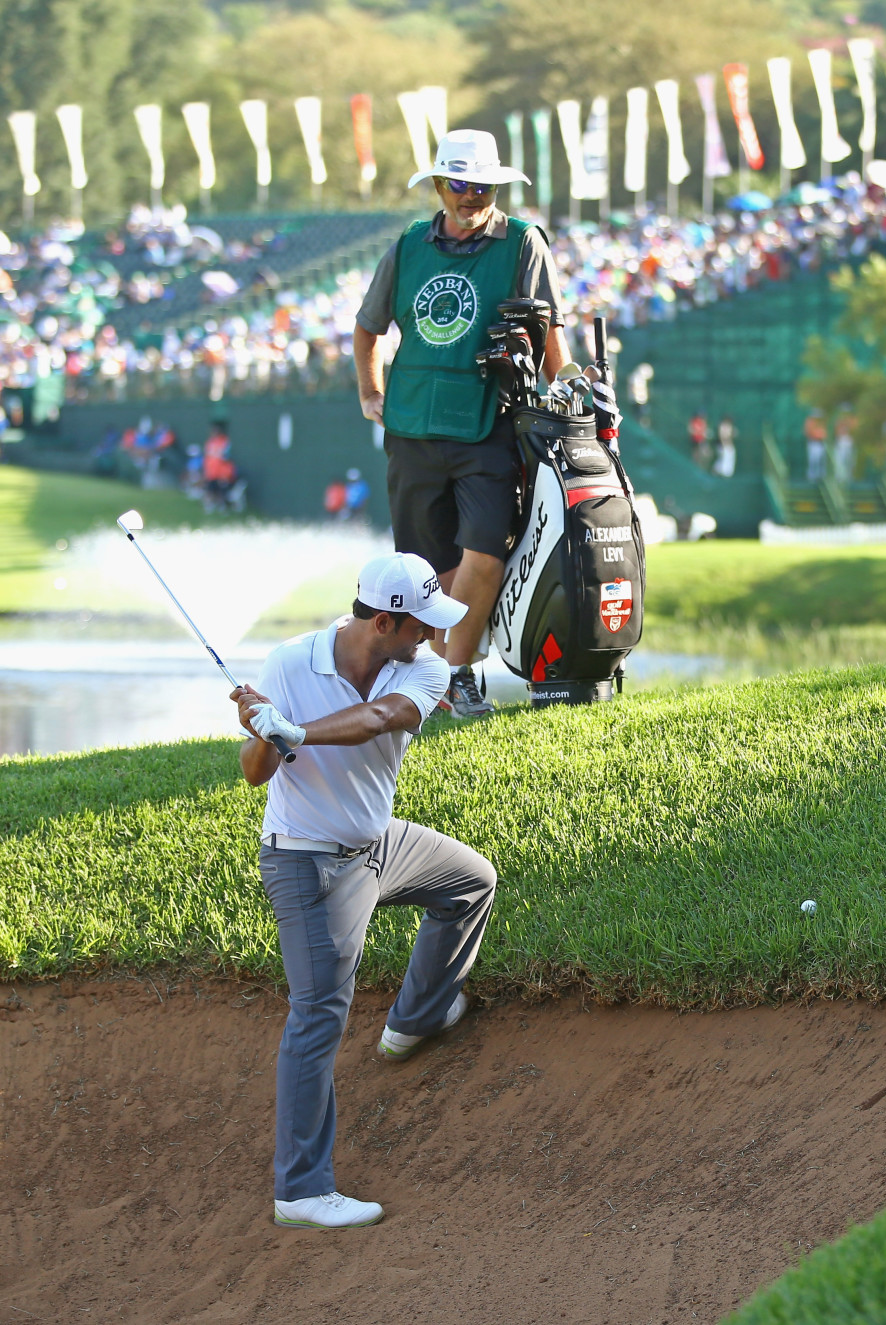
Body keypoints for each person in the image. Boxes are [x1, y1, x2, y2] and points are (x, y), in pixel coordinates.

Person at [230, 551, 497, 1230]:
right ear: (384, 620)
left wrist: (301, 731)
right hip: (309, 861)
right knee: (318, 1011)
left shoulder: (424, 667)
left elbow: (384, 718)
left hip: (379, 843)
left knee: (471, 880)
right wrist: (262, 730)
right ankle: (302, 1189)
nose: (433, 636)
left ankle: (415, 1017)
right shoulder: (291, 663)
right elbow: (256, 774)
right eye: (421, 625)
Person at [353, 128, 572, 719]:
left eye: (481, 185)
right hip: (413, 427)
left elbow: (549, 327)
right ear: (440, 186)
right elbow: (368, 326)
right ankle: (441, 679)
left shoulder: (524, 243)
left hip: (490, 423)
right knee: (431, 570)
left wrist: (570, 386)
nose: (470, 196)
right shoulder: (406, 245)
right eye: (459, 184)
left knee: (486, 556)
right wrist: (370, 392)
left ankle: (455, 672)